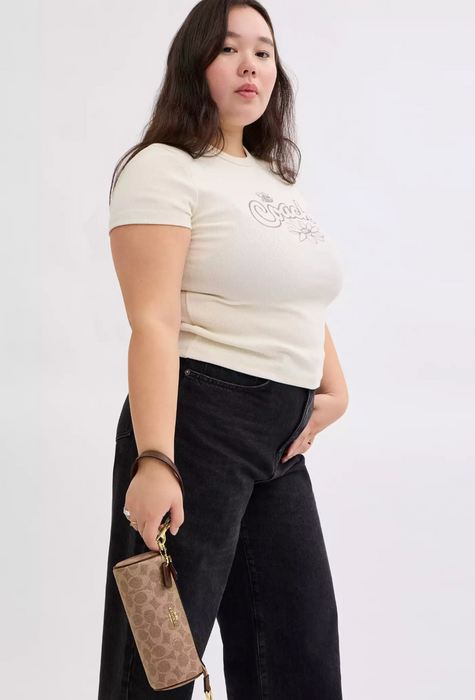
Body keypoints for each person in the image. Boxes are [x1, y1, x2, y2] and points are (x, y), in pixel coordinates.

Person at [97, 1, 349, 698]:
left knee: (299, 650)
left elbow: (296, 293)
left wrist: (333, 388)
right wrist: (154, 458)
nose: (250, 65)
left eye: (264, 51)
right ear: (194, 63)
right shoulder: (163, 168)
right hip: (196, 422)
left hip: (279, 442)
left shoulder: (273, 180)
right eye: (229, 49)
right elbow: (152, 321)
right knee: (159, 660)